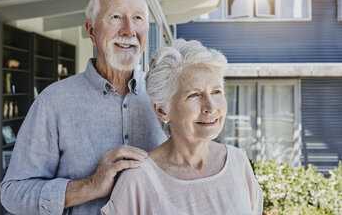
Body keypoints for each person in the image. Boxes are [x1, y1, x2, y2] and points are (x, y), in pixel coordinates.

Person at [0, 0, 166, 215]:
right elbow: (13, 194)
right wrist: (91, 186)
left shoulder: (165, 96)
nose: (129, 30)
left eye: (138, 18)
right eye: (116, 17)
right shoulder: (53, 102)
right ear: (91, 31)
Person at [101, 39, 263, 215]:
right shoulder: (137, 181)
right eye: (194, 95)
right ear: (162, 110)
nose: (211, 107)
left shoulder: (238, 163)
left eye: (216, 92)